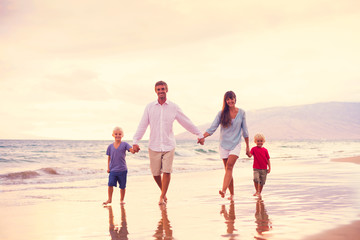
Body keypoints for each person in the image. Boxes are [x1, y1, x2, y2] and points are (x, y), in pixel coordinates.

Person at [132, 80, 204, 205]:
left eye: (163, 89)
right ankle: (163, 192)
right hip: (154, 145)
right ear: (155, 91)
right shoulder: (149, 107)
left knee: (167, 171)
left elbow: (185, 121)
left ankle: (162, 197)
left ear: (167, 90)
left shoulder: (174, 107)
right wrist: (135, 141)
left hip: (169, 144)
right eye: (158, 89)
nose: (161, 91)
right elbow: (142, 125)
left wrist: (199, 134)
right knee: (155, 174)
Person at [199, 91, 249, 200]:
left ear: (235, 99)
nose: (230, 101)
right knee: (228, 170)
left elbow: (245, 131)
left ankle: (223, 190)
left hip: (236, 144)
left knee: (229, 166)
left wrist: (247, 147)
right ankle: (231, 194)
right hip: (223, 145)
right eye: (228, 99)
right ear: (225, 101)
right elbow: (212, 128)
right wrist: (203, 136)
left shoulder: (242, 113)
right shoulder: (221, 114)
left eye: (232, 98)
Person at [103, 127, 135, 205]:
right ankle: (109, 199)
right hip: (113, 170)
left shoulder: (125, 144)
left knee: (122, 186)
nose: (118, 135)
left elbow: (131, 150)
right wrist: (108, 168)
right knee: (110, 184)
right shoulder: (110, 146)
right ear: (113, 135)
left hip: (122, 170)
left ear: (122, 135)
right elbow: (109, 158)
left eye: (119, 134)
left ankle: (121, 200)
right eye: (116, 134)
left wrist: (134, 150)